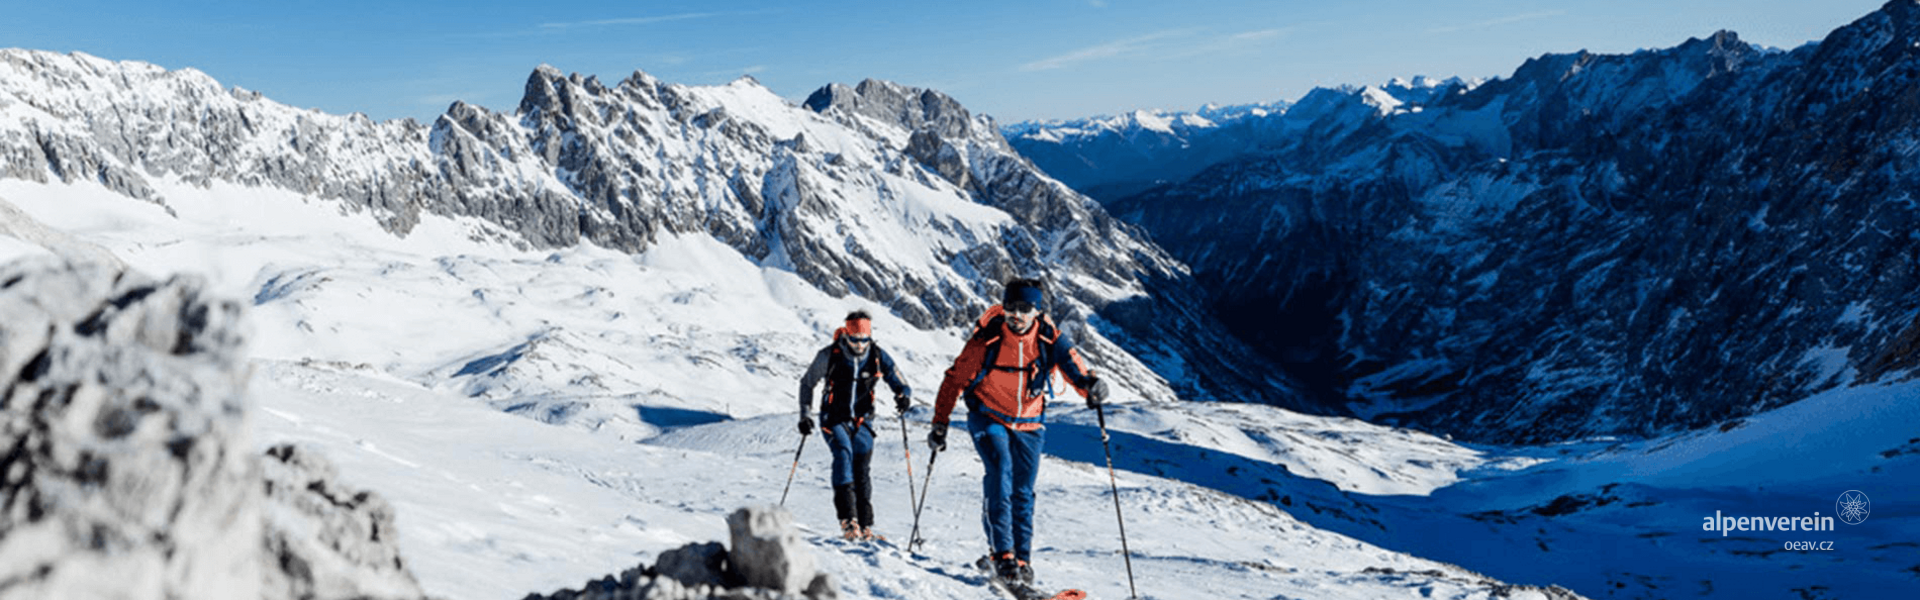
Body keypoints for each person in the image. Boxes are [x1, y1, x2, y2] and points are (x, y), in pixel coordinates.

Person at [926, 278, 1109, 585]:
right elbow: (954, 380)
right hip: (988, 416)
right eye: (1010, 307)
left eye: (1025, 309)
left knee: (1022, 493)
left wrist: (1091, 387)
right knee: (1000, 471)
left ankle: (1021, 560)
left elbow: (1076, 369)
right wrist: (940, 422)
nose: (1016, 315)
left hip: (1030, 424)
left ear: (1037, 311)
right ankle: (1002, 556)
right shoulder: (986, 340)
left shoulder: (1050, 338)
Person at [798, 311, 912, 541]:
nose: (859, 344)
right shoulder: (829, 355)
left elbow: (898, 379)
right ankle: (848, 520)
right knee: (843, 455)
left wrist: (903, 395)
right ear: (846, 335)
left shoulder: (878, 356)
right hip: (833, 418)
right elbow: (807, 383)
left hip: (863, 421)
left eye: (864, 339)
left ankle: (865, 524)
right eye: (854, 338)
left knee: (861, 471)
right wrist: (805, 415)